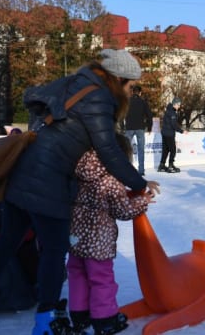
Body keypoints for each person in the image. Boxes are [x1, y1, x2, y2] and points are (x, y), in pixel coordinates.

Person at [0, 49, 161, 335]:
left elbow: (34, 101)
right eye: (130, 85)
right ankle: (45, 322)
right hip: (47, 182)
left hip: (21, 172)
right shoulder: (99, 96)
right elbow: (109, 150)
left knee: (7, 242)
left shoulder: (74, 83)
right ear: (117, 78)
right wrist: (139, 184)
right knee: (54, 251)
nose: (130, 91)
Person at [67, 133, 153, 335]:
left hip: (75, 236)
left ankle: (79, 316)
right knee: (101, 278)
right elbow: (122, 211)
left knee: (77, 274)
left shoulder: (78, 171)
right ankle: (104, 319)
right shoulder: (111, 180)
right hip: (99, 239)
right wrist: (142, 202)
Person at [123, 85, 153, 175]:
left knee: (127, 149)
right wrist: (149, 127)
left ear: (132, 92)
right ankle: (141, 170)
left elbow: (121, 114)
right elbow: (149, 116)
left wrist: (122, 126)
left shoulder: (127, 102)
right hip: (140, 128)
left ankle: (126, 169)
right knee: (141, 149)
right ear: (140, 93)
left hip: (129, 128)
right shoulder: (143, 102)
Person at [158, 98, 187, 173]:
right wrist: (182, 131)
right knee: (173, 150)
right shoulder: (172, 112)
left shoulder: (168, 110)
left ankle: (162, 165)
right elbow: (174, 124)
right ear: (174, 104)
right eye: (178, 105)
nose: (179, 106)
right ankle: (171, 165)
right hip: (169, 133)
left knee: (166, 150)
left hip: (164, 132)